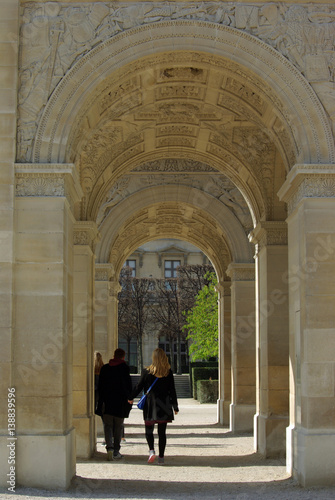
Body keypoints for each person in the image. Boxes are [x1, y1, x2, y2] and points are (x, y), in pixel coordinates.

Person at [128, 348, 179, 465]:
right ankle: (161, 457)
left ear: (154, 358)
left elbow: (138, 387)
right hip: (164, 405)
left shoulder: (147, 372)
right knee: (162, 433)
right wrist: (175, 407)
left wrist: (130, 397)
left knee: (149, 430)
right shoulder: (168, 372)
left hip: (150, 405)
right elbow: (172, 390)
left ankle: (151, 451)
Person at [97, 348, 132, 461]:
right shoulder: (124, 368)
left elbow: (100, 387)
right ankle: (116, 450)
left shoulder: (105, 368)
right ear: (123, 356)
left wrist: (100, 402)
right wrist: (129, 399)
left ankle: (109, 448)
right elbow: (128, 386)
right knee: (118, 427)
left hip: (107, 402)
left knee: (107, 426)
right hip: (120, 403)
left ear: (114, 355)